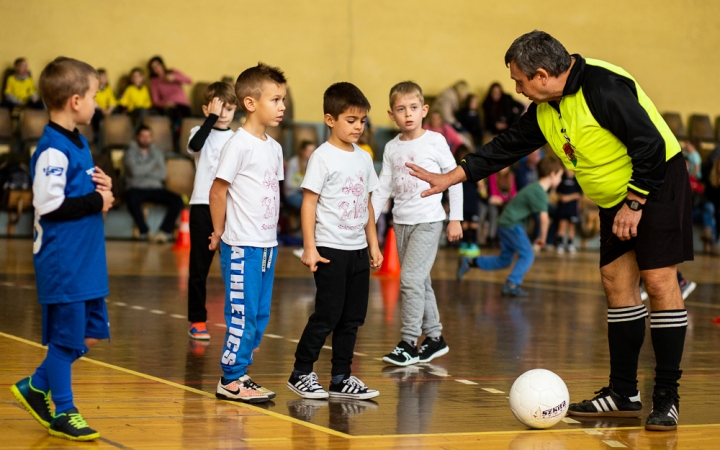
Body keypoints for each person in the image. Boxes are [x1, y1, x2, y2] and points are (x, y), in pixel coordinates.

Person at [409, 31, 692, 432]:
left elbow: (649, 144)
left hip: (656, 183)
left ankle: (666, 397)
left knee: (660, 282)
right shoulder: (546, 107)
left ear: (542, 75)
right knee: (616, 281)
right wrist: (450, 177)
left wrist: (634, 202)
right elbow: (505, 146)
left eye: (519, 81)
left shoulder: (602, 88)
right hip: (615, 197)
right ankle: (623, 393)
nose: (517, 89)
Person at [10, 57, 114, 441]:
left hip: (86, 259)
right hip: (64, 261)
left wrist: (104, 191)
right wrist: (96, 203)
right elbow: (48, 205)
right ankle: (64, 411)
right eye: (94, 96)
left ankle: (35, 387)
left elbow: (82, 194)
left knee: (90, 332)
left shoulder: (79, 141)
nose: (97, 104)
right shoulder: (52, 148)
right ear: (75, 100)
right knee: (66, 339)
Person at [288, 82, 382, 400]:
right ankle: (301, 372)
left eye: (362, 121)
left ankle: (341, 377)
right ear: (330, 119)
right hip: (329, 248)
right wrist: (310, 246)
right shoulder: (322, 157)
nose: (358, 127)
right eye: (350, 120)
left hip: (357, 249)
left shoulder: (364, 158)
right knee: (328, 314)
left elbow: (367, 204)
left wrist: (374, 244)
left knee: (352, 317)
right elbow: (309, 203)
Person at [208, 63, 286, 404]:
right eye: (275, 99)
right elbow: (218, 190)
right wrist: (219, 231)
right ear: (251, 103)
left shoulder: (274, 147)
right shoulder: (238, 144)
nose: (282, 106)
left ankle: (242, 370)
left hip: (267, 246)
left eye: (283, 99)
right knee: (241, 313)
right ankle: (231, 378)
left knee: (259, 314)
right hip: (242, 246)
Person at [371, 81, 462, 367]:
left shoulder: (435, 141)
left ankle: (409, 342)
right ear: (391, 114)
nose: (408, 114)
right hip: (401, 223)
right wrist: (368, 224)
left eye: (413, 108)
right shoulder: (391, 147)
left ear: (423, 110)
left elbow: (455, 177)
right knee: (420, 281)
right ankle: (434, 338)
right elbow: (383, 187)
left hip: (429, 221)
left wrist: (455, 218)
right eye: (401, 109)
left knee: (409, 280)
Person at [457, 156, 563, 296]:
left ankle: (470, 262)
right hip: (511, 224)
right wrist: (542, 237)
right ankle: (512, 283)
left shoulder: (536, 188)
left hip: (505, 223)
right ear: (552, 174)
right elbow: (544, 219)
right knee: (527, 255)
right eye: (560, 176)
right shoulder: (539, 191)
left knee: (505, 260)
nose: (560, 180)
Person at [186, 82, 238, 340]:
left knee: (233, 269)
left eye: (229, 108)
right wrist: (211, 119)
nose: (224, 113)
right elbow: (195, 146)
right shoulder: (199, 130)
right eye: (219, 108)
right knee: (199, 267)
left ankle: (237, 324)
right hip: (202, 206)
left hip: (229, 208)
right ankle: (197, 320)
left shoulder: (238, 138)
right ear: (207, 109)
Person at [123, 125, 184, 243]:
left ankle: (164, 232)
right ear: (137, 137)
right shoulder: (130, 152)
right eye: (142, 136)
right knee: (131, 199)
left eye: (148, 136)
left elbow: (162, 174)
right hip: (136, 187)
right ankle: (145, 231)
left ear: (151, 138)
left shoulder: (157, 152)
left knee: (177, 200)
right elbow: (135, 172)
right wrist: (153, 166)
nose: (145, 139)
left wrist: (143, 169)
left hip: (156, 188)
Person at [148, 55, 192, 146]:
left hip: (183, 104)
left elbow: (189, 81)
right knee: (174, 118)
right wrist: (165, 104)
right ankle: (176, 144)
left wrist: (175, 77)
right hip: (169, 106)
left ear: (162, 65)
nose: (156, 69)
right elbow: (155, 100)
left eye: (157, 65)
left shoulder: (173, 72)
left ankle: (188, 143)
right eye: (153, 68)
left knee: (188, 120)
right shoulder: (154, 81)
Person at [455, 144, 482, 257]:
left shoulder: (473, 169)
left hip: (472, 200)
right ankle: (466, 243)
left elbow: (480, 185)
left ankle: (473, 243)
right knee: (465, 223)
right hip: (463, 200)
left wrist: (481, 188)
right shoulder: (456, 169)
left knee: (473, 223)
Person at [486, 165, 516, 247]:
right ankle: (491, 237)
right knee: (493, 212)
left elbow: (513, 194)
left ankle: (505, 238)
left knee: (508, 214)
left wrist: (503, 199)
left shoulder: (511, 176)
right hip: (494, 204)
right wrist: (506, 198)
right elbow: (493, 194)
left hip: (505, 204)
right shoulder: (493, 175)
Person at [554, 168, 582, 254]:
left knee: (571, 226)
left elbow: (579, 194)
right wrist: (561, 197)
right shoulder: (562, 178)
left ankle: (570, 243)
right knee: (562, 225)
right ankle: (560, 243)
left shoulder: (577, 179)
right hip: (562, 207)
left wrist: (568, 198)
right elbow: (557, 190)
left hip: (572, 208)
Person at [284, 140, 317, 209]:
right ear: (303, 151)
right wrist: (303, 187)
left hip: (305, 194)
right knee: (309, 204)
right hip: (292, 194)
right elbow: (288, 184)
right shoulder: (293, 162)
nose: (312, 153)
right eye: (310, 151)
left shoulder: (312, 163)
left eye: (313, 151)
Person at [91, 68, 117, 142]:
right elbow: (93, 101)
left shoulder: (108, 89)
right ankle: (96, 132)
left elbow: (112, 101)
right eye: (100, 77)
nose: (103, 79)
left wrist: (110, 109)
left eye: (104, 77)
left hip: (107, 110)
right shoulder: (94, 89)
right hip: (98, 109)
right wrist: (102, 109)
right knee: (96, 113)